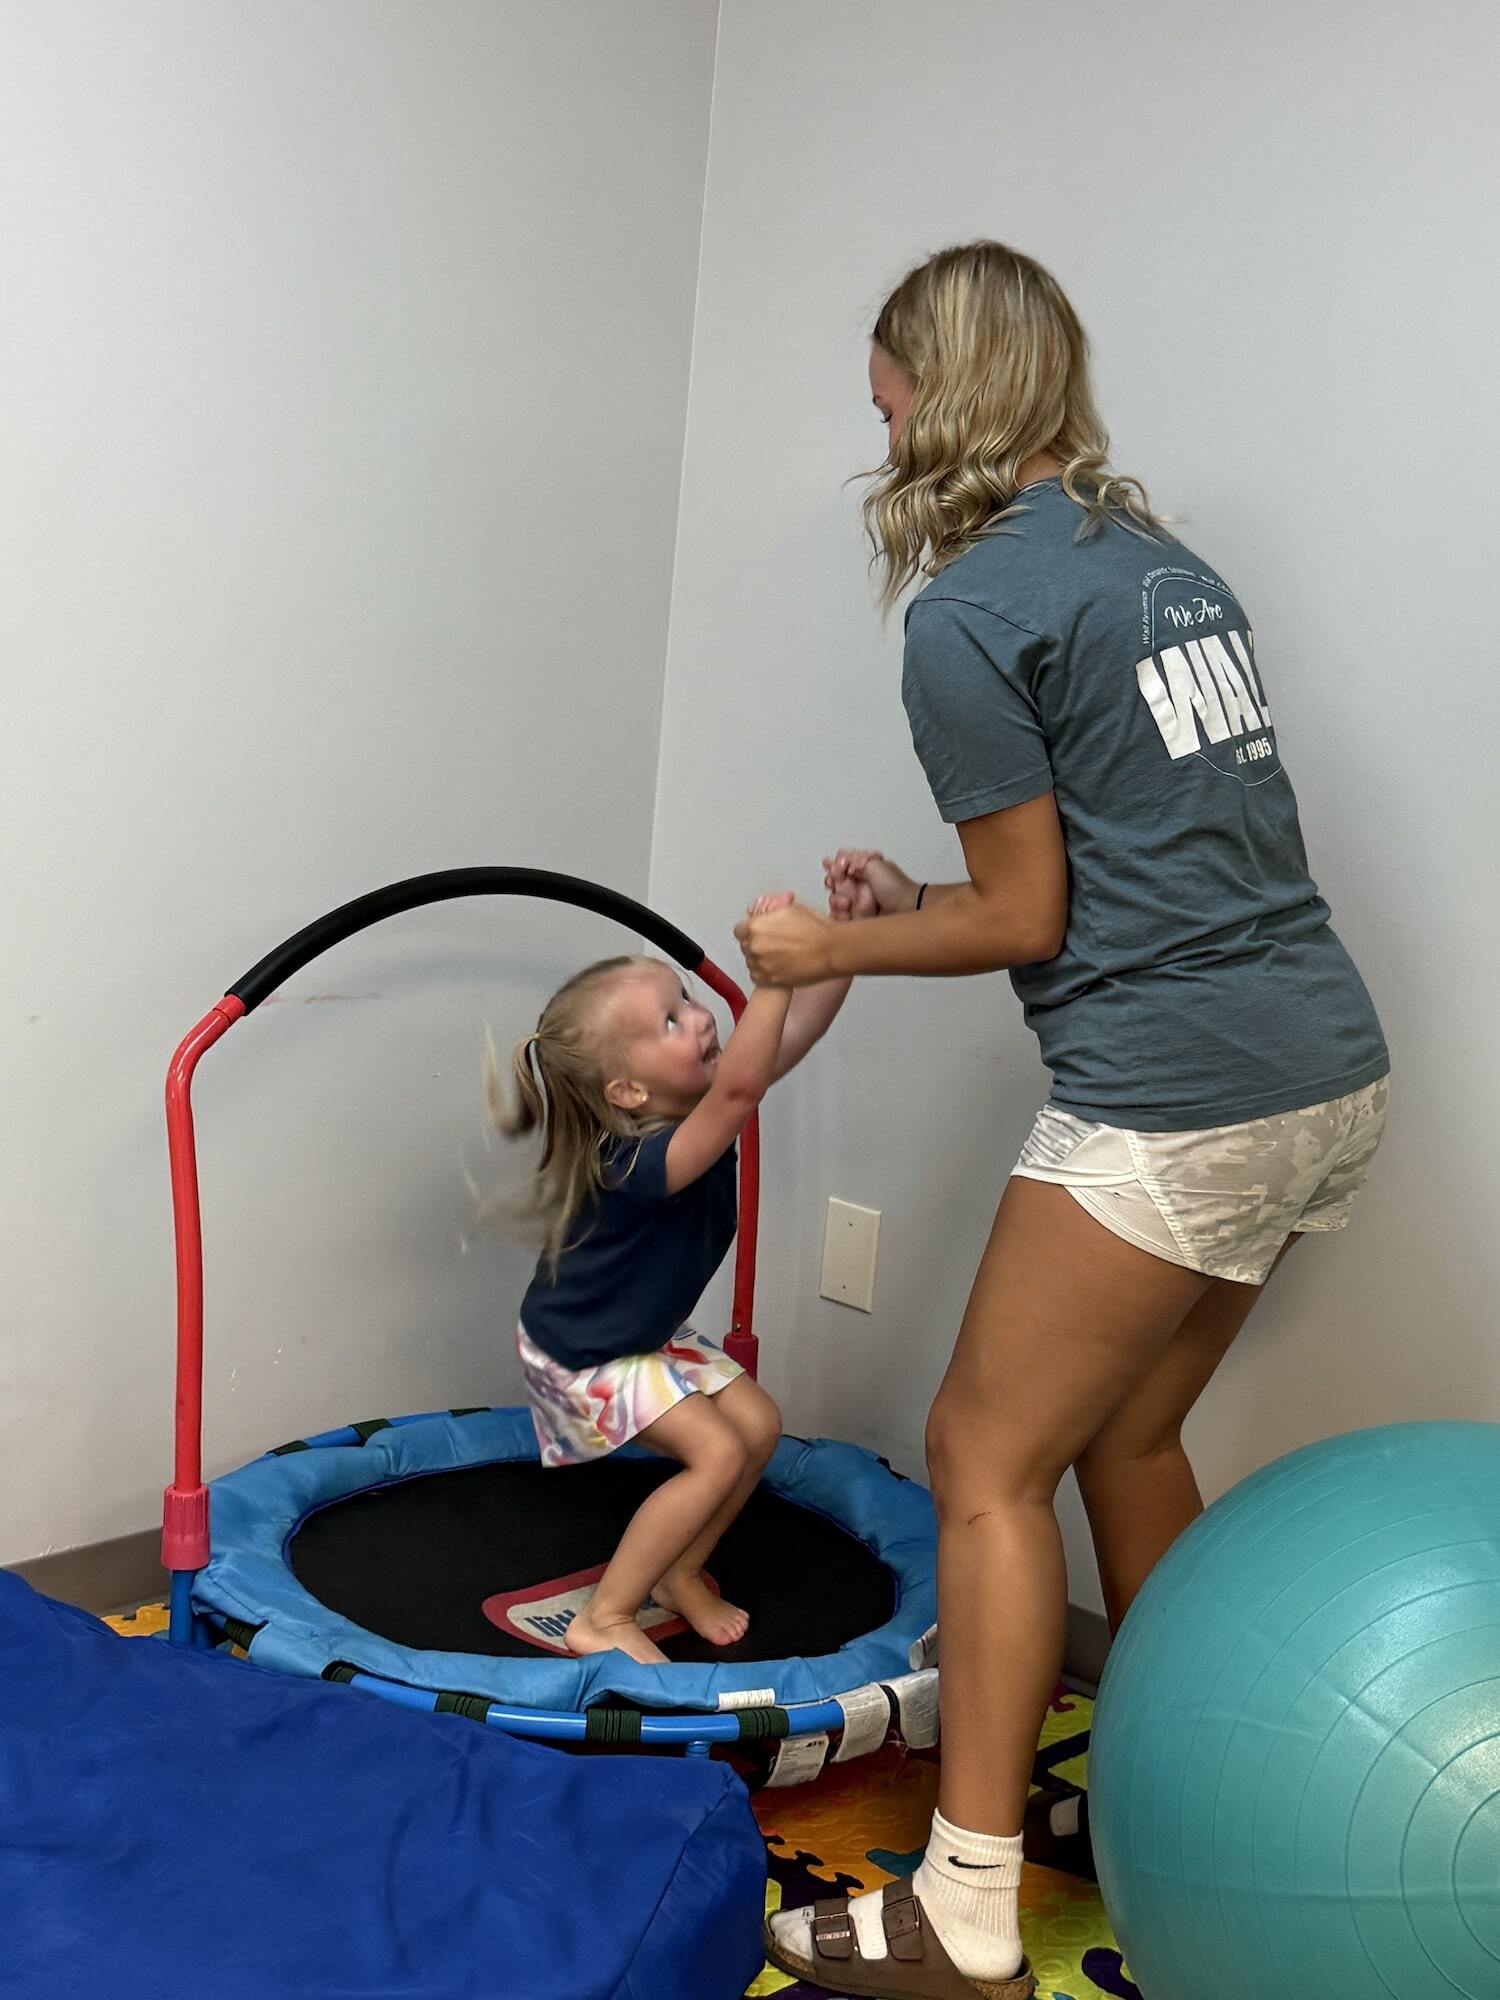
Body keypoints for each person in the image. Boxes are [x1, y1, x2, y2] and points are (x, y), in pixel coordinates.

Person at [743, 240, 1389, 2000]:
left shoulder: (969, 610)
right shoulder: (1164, 568)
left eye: (883, 397)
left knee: (980, 1456)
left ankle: (960, 1912)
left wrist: (823, 949)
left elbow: (1024, 920)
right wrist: (900, 903)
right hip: (1323, 1066)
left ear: (939, 394)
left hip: (1182, 1089)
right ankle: (1183, 1793)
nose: (871, 430)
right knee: (1126, 1437)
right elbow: (1120, 850)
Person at [490, 888, 869, 1666]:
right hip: (583, 1352)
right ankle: (607, 1614)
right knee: (718, 1454)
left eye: (688, 999)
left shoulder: (697, 1106)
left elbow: (784, 1041)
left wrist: (839, 947)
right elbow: (742, 1088)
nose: (699, 1018)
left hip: (643, 1333)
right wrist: (770, 976)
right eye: (671, 1020)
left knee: (758, 1424)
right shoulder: (634, 1160)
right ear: (627, 1092)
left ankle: (680, 1572)